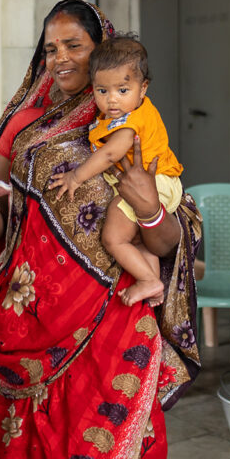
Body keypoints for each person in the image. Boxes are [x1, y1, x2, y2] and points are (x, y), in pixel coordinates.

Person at [0, 0, 202, 459]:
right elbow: (1, 230)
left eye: (74, 45)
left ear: (102, 52)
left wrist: (148, 207)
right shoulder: (25, 129)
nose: (61, 58)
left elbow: (171, 240)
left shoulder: (133, 122)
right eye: (50, 48)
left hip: (115, 317)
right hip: (36, 323)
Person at [48, 35, 184, 307]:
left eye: (123, 90)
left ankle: (147, 280)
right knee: (139, 241)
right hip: (156, 183)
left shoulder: (131, 120)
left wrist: (77, 176)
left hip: (154, 184)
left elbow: (111, 154)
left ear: (142, 88)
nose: (112, 100)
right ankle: (153, 286)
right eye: (102, 91)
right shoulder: (114, 116)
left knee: (114, 237)